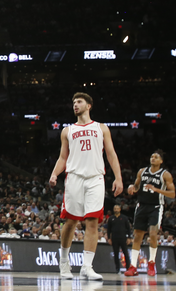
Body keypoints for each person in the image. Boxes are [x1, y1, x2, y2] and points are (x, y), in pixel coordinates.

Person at [49, 92, 123, 280]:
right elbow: (63, 157)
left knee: (93, 222)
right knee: (71, 221)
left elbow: (111, 154)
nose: (75, 105)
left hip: (96, 178)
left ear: (89, 105)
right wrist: (54, 173)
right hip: (74, 177)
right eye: (73, 102)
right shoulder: (67, 130)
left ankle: (87, 267)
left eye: (79, 102)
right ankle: (64, 262)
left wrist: (118, 177)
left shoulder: (101, 128)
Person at [124, 150, 176, 277]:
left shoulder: (165, 174)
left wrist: (156, 189)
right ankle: (133, 266)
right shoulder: (142, 171)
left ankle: (151, 263)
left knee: (153, 234)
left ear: (161, 161)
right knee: (137, 236)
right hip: (141, 206)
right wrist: (132, 188)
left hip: (156, 207)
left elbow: (172, 193)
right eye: (152, 156)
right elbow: (136, 187)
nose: (153, 158)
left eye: (156, 157)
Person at [106, 204, 131, 273]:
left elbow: (128, 228)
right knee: (116, 254)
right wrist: (109, 238)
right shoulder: (111, 218)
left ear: (120, 209)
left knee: (125, 253)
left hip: (123, 238)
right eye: (115, 208)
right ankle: (117, 269)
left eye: (117, 208)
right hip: (114, 238)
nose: (116, 209)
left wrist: (129, 237)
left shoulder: (124, 218)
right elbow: (109, 229)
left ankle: (128, 268)